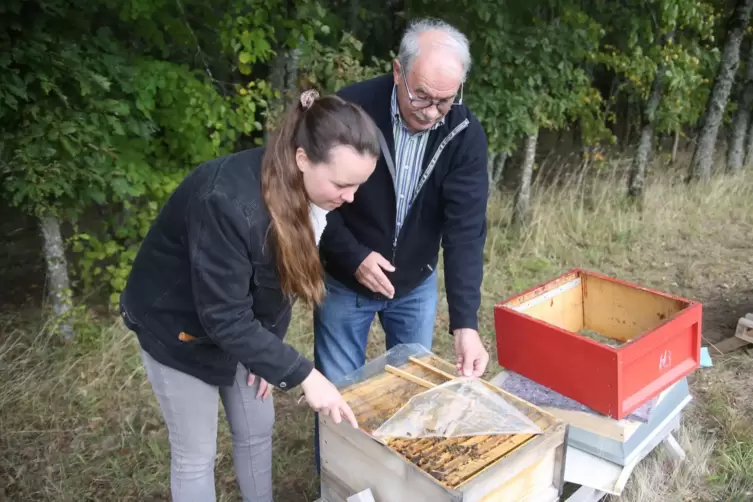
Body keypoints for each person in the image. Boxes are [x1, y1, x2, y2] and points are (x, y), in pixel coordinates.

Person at [118, 89, 381, 502]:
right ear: (301, 159)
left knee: (257, 428)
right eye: (343, 184)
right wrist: (304, 375)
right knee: (196, 453)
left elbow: (277, 282)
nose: (350, 198)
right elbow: (222, 317)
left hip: (239, 328)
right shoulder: (224, 202)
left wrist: (268, 351)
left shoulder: (308, 194)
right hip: (178, 331)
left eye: (358, 186)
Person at [314, 18, 491, 392]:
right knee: (340, 394)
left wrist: (465, 324)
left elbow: (465, 232)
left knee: (411, 393)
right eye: (422, 96)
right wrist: (352, 255)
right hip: (345, 281)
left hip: (415, 285)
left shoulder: (464, 135)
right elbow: (315, 198)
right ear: (398, 71)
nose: (431, 112)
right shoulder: (351, 109)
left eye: (445, 101)